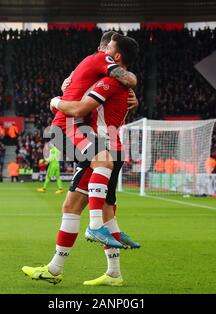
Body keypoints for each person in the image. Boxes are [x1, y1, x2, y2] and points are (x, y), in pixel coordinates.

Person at [22, 34, 140, 286]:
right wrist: (72, 84)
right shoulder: (116, 82)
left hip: (94, 142)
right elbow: (125, 92)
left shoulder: (108, 79)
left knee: (92, 186)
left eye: (107, 48)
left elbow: (78, 110)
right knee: (89, 207)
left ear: (114, 56)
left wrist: (56, 100)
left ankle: (90, 232)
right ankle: (113, 272)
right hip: (113, 145)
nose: (101, 51)